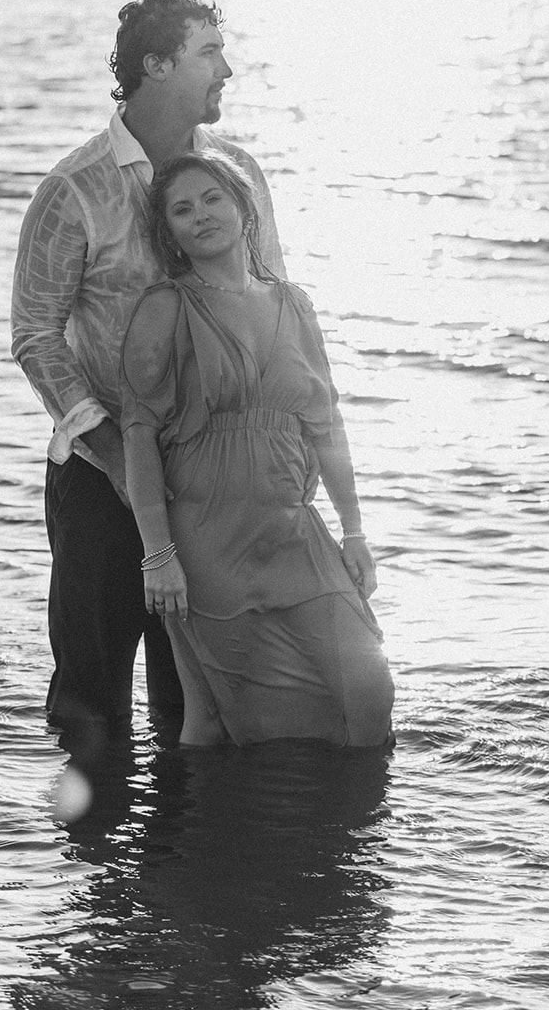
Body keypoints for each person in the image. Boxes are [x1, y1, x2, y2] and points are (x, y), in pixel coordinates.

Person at [11, 0, 286, 735]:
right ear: (156, 66)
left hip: (218, 480)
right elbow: (35, 335)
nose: (226, 69)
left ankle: (191, 848)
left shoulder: (239, 173)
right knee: (91, 709)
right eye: (208, 53)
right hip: (103, 483)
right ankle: (92, 845)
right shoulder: (74, 189)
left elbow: (272, 310)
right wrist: (110, 457)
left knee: (202, 705)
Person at [120, 150, 394, 749]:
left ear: (245, 208)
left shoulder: (293, 305)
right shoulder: (164, 308)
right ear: (169, 233)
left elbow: (326, 425)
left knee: (368, 688)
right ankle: (220, 831)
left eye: (213, 199)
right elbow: (138, 436)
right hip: (206, 539)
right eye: (182, 210)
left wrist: (353, 532)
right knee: (220, 714)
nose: (200, 216)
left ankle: (358, 833)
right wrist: (158, 554)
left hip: (292, 528)